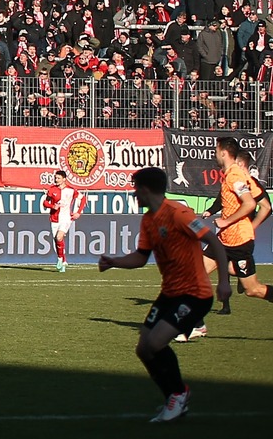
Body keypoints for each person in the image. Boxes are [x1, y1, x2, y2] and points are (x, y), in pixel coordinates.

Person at [98, 167, 229, 422]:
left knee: (156, 343)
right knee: (143, 349)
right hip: (169, 294)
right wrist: (114, 261)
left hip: (195, 294)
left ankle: (178, 394)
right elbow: (140, 257)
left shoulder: (179, 214)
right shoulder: (148, 220)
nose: (134, 194)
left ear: (145, 190)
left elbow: (214, 242)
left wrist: (224, 281)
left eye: (135, 189)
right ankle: (174, 397)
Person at [210, 136, 270, 312]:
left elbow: (250, 204)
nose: (215, 155)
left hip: (238, 241)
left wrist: (226, 221)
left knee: (253, 290)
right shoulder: (238, 175)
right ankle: (194, 324)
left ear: (223, 153)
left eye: (216, 151)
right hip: (223, 239)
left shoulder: (235, 176)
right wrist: (252, 226)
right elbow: (266, 206)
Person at [41, 168, 84, 273]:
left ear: (64, 179)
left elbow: (83, 199)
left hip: (65, 218)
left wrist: (78, 212)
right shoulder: (52, 190)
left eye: (58, 178)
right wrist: (52, 206)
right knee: (57, 240)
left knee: (59, 236)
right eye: (56, 177)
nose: (56, 179)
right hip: (54, 218)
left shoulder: (71, 190)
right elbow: (45, 203)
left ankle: (61, 260)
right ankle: (62, 260)